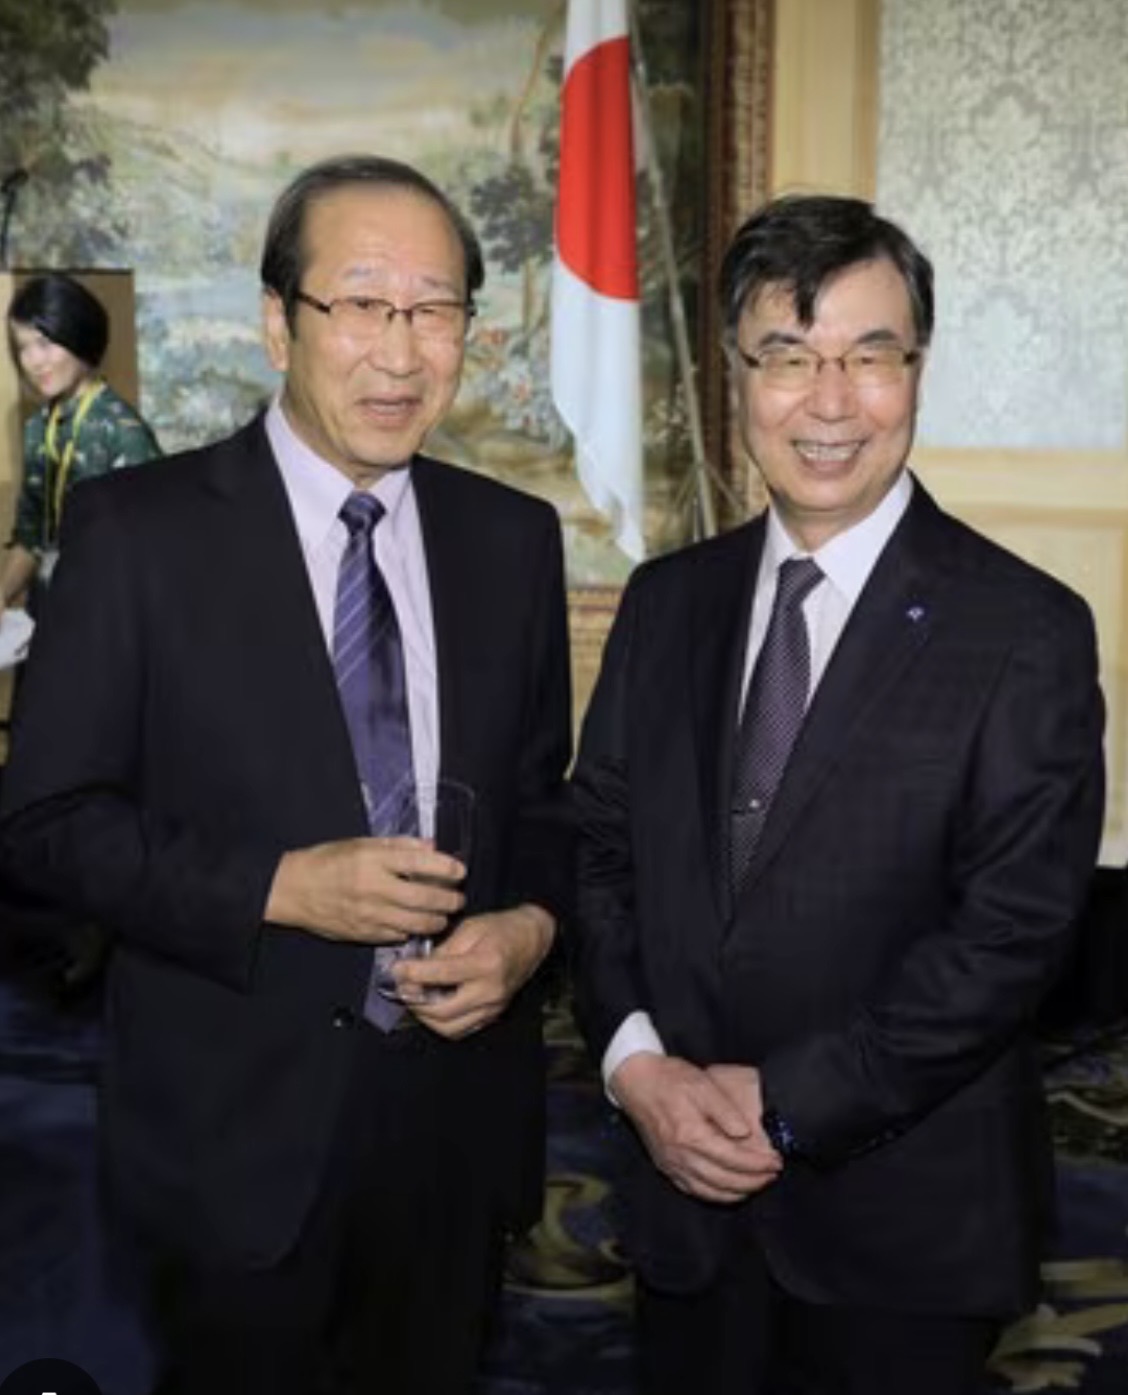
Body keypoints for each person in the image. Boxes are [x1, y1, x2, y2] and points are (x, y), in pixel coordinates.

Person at [0, 155, 571, 1395]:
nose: (401, 352)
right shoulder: (138, 534)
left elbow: (540, 802)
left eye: (435, 310)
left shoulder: (510, 540)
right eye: (361, 303)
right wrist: (279, 886)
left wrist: (529, 928)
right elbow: (44, 825)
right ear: (278, 323)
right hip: (231, 1135)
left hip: (452, 1136)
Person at [571, 194, 1104, 1395]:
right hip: (680, 1202)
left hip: (902, 1228)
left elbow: (1012, 935)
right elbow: (598, 851)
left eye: (870, 356)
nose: (829, 403)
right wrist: (636, 1064)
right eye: (787, 356)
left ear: (917, 371)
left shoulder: (1023, 630)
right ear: (736, 377)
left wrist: (789, 1102)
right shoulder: (666, 603)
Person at [3, 272, 161, 611]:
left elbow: (154, 553)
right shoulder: (37, 429)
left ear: (76, 334)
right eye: (22, 348)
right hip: (50, 611)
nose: (34, 362)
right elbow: (31, 538)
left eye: (44, 343)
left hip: (108, 616)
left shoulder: (124, 434)